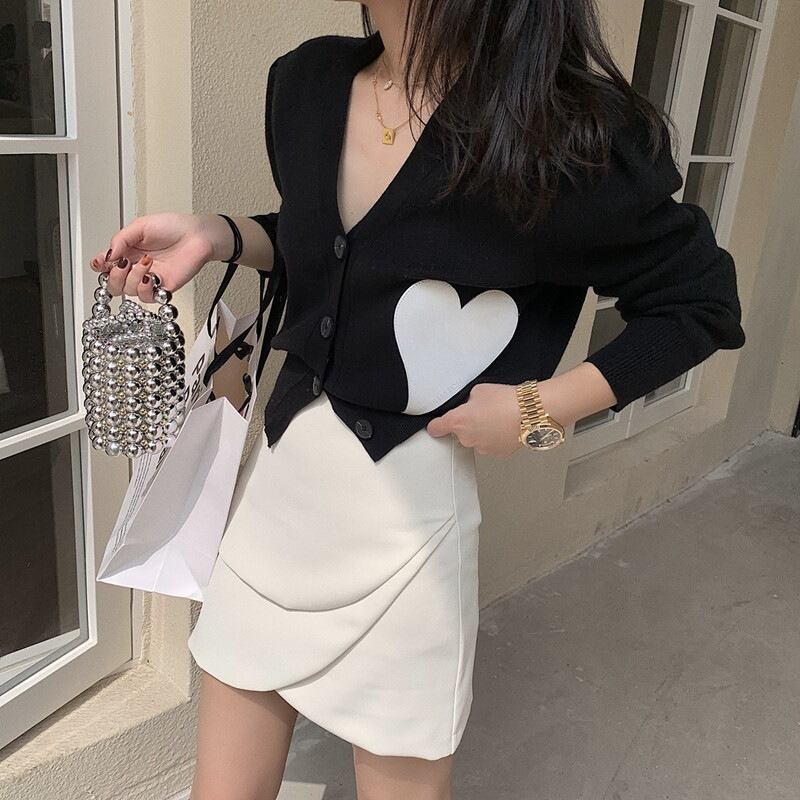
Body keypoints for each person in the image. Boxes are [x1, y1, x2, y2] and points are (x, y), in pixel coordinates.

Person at [89, 1, 746, 798]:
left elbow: (699, 304)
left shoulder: (566, 133)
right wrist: (219, 234)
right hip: (285, 486)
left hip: (411, 524)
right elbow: (343, 253)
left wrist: (539, 409)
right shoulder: (307, 82)